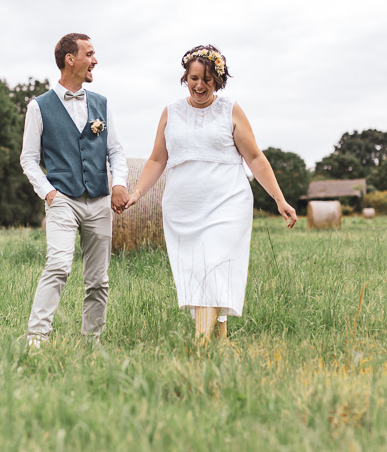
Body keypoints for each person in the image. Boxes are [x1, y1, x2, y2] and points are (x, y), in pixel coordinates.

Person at [124, 45, 297, 343]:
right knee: (197, 272)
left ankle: (201, 344)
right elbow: (156, 159)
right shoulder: (171, 112)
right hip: (183, 209)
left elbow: (255, 158)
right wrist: (137, 192)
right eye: (193, 78)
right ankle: (220, 338)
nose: (199, 85)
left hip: (227, 203)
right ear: (185, 78)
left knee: (211, 266)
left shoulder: (230, 110)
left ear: (218, 79)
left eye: (207, 79)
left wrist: (279, 199)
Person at [20, 33, 130, 348]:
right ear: (71, 59)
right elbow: (28, 158)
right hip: (62, 199)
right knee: (57, 265)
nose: (95, 60)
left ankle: (91, 341)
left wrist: (118, 182)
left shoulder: (101, 104)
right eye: (90, 53)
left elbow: (116, 151)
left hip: (99, 200)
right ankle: (36, 339)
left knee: (98, 280)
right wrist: (48, 193)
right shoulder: (38, 107)